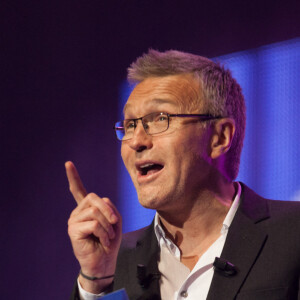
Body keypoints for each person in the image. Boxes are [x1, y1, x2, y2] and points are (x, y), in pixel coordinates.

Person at [66, 50, 300, 300]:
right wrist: (96, 283)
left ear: (219, 137)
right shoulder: (114, 262)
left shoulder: (292, 234)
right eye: (130, 124)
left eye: (159, 119)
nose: (136, 141)